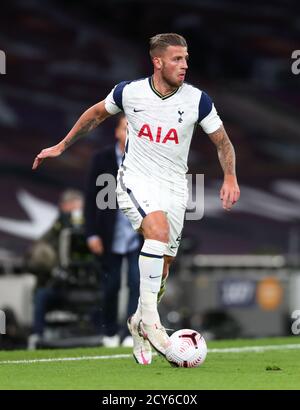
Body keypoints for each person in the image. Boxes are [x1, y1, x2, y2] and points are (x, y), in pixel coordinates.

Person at [32, 33, 240, 365]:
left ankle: (137, 321)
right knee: (155, 233)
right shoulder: (129, 92)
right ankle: (153, 326)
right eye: (176, 59)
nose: (184, 65)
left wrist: (229, 176)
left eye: (186, 58)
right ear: (157, 61)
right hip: (136, 180)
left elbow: (222, 141)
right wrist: (62, 145)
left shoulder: (197, 100)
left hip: (174, 188)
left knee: (164, 265)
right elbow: (95, 115)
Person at [85, 114, 141, 347]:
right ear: (117, 132)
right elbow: (90, 198)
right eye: (126, 128)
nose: (129, 133)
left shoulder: (146, 160)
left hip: (138, 232)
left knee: (136, 284)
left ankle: (130, 332)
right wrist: (91, 233)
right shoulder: (102, 158)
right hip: (110, 234)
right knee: (111, 285)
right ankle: (109, 331)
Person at [27, 189, 85, 349]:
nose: (75, 213)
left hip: (85, 285)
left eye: (78, 208)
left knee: (105, 292)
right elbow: (32, 258)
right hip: (57, 286)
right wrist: (52, 269)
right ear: (63, 207)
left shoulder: (90, 233)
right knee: (41, 295)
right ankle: (37, 336)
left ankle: (106, 334)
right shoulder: (54, 232)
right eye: (71, 208)